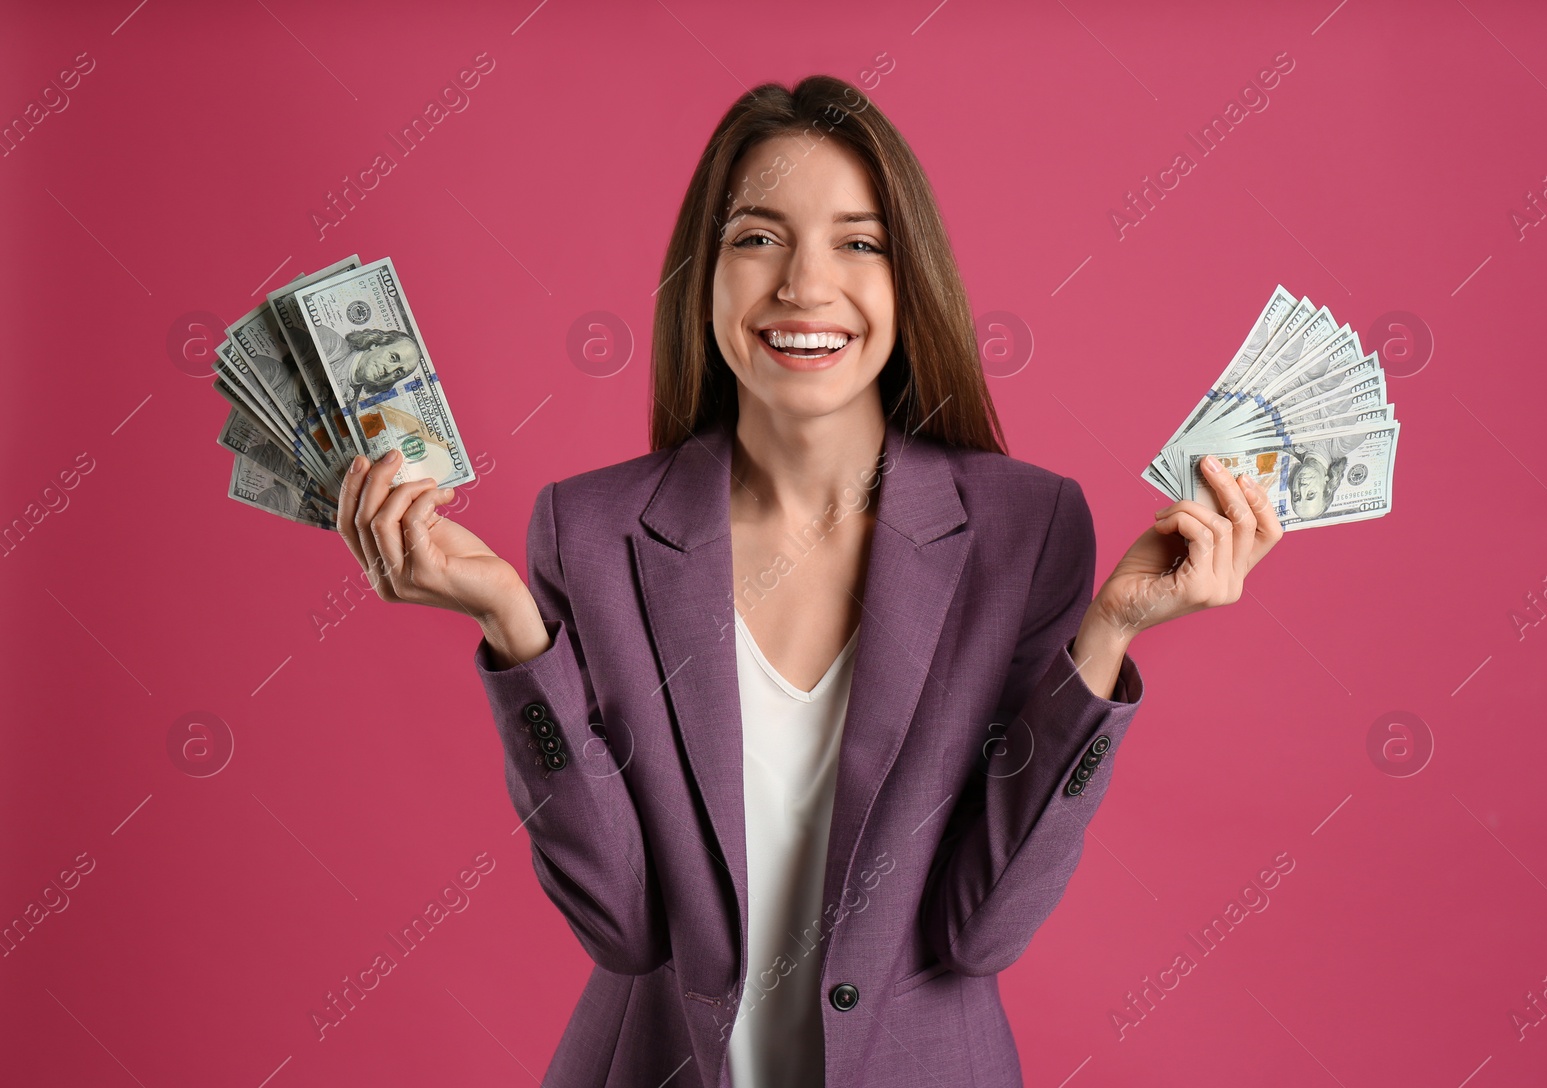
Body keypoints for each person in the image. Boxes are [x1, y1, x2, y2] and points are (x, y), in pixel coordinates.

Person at [334, 75, 1283, 1088]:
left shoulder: (1025, 529)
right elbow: (619, 921)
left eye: (858, 241)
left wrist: (1104, 644)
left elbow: (980, 929)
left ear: (908, 276)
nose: (803, 285)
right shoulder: (590, 529)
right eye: (756, 237)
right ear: (704, 274)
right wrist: (514, 628)